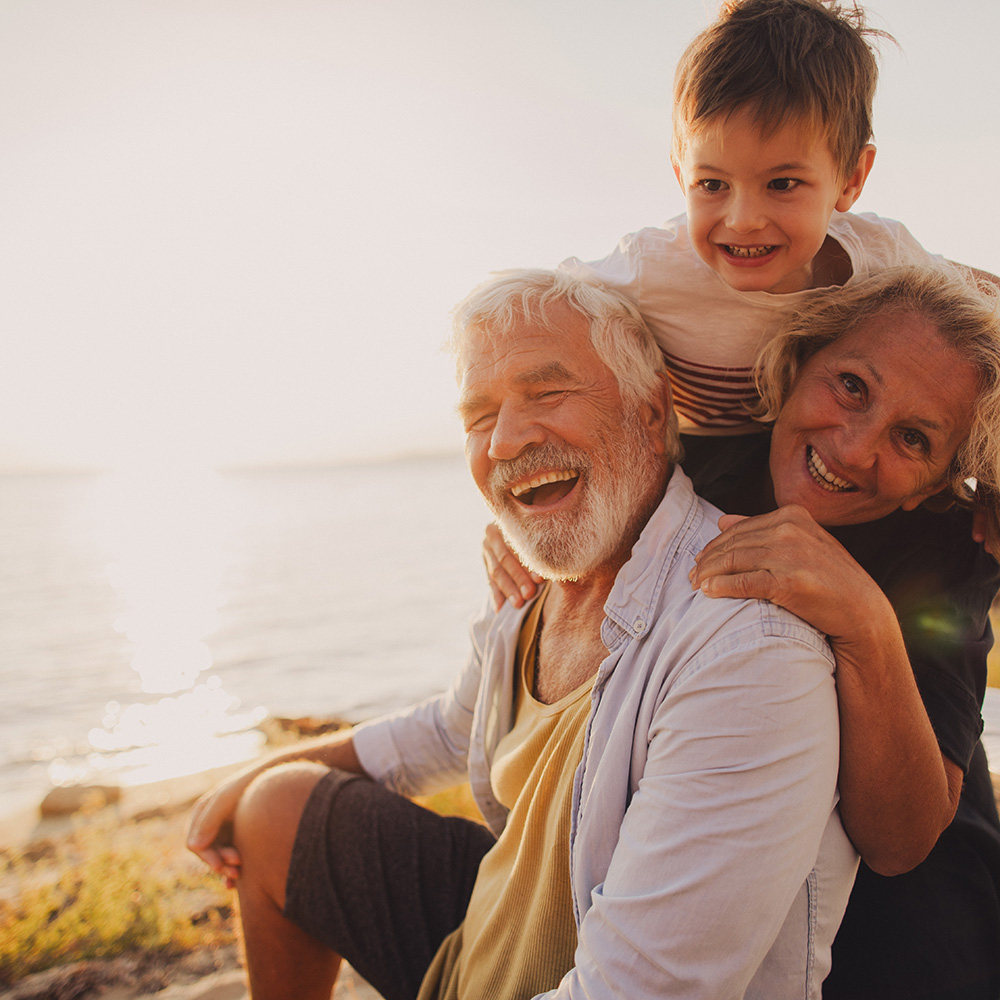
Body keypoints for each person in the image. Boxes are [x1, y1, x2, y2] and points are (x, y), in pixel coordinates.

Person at [189, 268, 858, 1000]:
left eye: (547, 393)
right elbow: (453, 731)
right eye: (479, 417)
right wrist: (250, 775)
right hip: (473, 948)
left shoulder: (746, 648)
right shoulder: (532, 585)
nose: (506, 441)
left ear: (649, 406)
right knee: (276, 805)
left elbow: (645, 990)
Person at [486, 266, 1000, 999]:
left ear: (938, 481)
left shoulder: (944, 555)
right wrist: (520, 528)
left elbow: (904, 842)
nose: (854, 448)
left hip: (909, 943)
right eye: (851, 385)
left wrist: (864, 621)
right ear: (797, 364)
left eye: (913, 438)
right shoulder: (705, 465)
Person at [559, 0, 998, 437]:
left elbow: (972, 295)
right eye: (712, 185)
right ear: (681, 175)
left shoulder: (882, 256)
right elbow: (542, 305)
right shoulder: (650, 267)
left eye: (782, 184)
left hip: (821, 444)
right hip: (695, 455)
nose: (743, 219)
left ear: (850, 178)